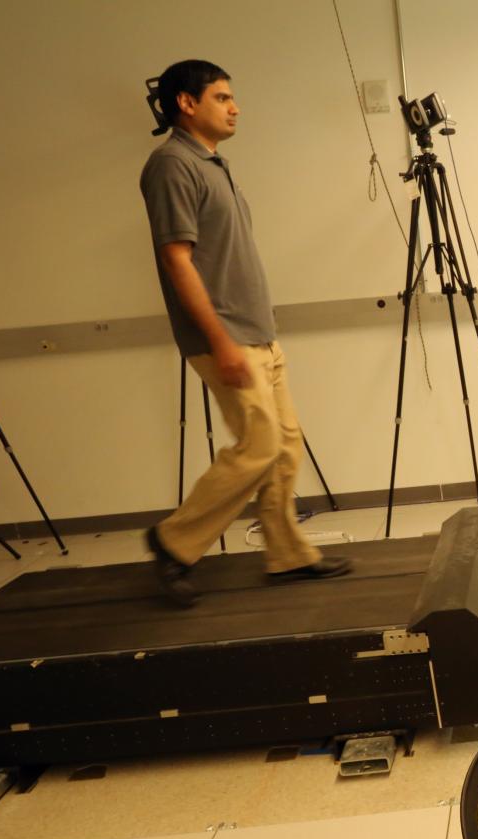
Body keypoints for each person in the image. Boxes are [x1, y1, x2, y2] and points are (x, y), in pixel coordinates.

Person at [139, 60, 348, 606]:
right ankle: (173, 541)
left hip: (257, 333)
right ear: (187, 103)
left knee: (283, 447)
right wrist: (222, 341)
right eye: (223, 97)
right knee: (258, 447)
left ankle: (287, 554)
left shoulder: (214, 164)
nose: (235, 107)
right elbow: (176, 259)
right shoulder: (170, 165)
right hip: (225, 336)